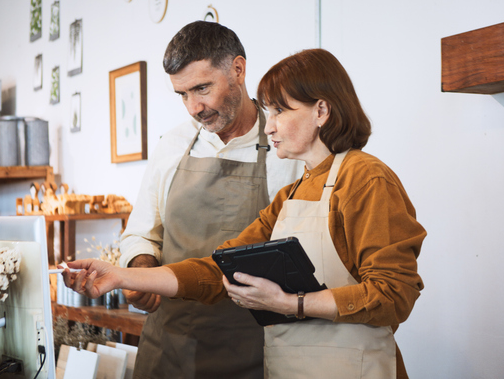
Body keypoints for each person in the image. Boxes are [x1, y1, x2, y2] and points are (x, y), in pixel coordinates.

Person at [66, 48, 426, 379]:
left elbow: (394, 293)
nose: (269, 127)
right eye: (269, 113)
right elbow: (218, 268)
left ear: (321, 111)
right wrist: (120, 277)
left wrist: (291, 304)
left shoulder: (366, 179)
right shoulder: (292, 193)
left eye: (280, 111)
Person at [116, 21, 303, 379]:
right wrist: (141, 270)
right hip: (169, 348)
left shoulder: (287, 148)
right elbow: (141, 232)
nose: (193, 107)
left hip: (254, 350)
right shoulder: (172, 144)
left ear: (238, 69)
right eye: (182, 94)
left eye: (202, 88)